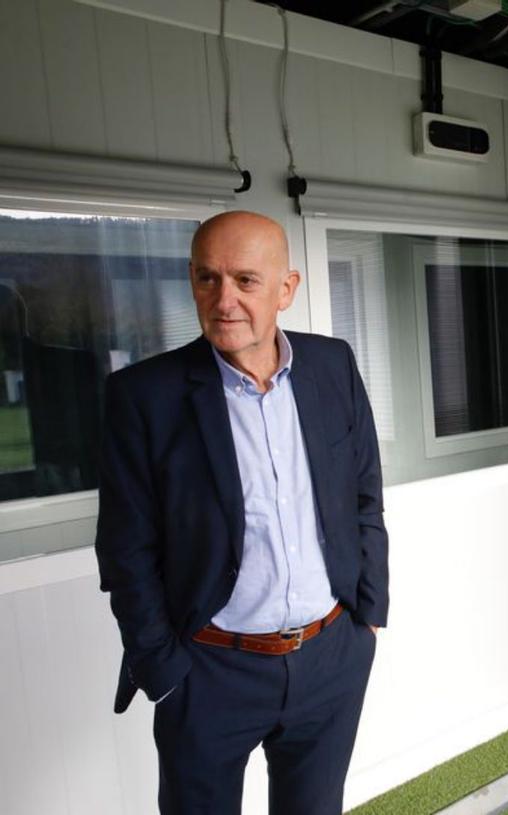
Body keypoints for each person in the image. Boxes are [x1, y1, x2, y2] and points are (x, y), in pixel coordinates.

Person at [94, 210, 388, 814]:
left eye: (246, 281)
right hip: (208, 671)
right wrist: (165, 670)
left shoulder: (332, 366)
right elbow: (126, 548)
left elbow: (363, 491)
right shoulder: (145, 395)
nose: (223, 300)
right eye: (207, 278)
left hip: (331, 657)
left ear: (287, 289)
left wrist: (369, 615)